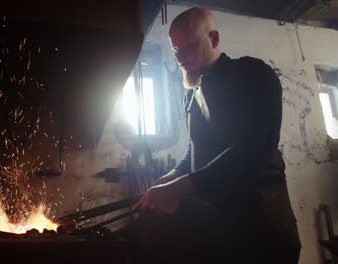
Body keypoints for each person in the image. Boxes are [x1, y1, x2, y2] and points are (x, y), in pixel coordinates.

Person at [121, 7, 301, 264]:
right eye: (175, 49)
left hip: (259, 227)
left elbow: (252, 150)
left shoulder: (252, 74)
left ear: (214, 39)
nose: (179, 57)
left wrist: (177, 188)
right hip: (218, 225)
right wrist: (168, 179)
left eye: (187, 47)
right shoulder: (192, 95)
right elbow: (195, 151)